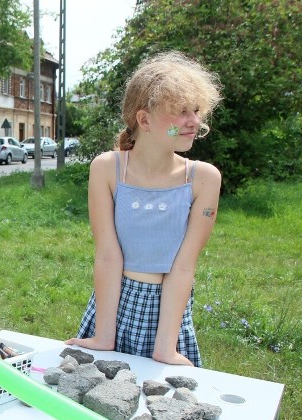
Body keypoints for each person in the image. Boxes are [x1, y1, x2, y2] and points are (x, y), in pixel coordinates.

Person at [65, 51, 222, 367]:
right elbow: (108, 255)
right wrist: (104, 338)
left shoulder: (204, 178)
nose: (194, 122)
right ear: (144, 119)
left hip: (168, 314)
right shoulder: (107, 169)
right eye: (180, 112)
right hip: (114, 305)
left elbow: (183, 267)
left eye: (196, 110)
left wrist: (165, 349)